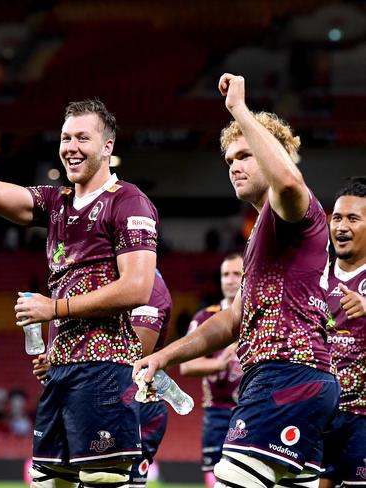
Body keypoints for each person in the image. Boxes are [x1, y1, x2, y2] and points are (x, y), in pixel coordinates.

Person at [0, 99, 158, 487]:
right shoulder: (57, 203)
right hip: (61, 371)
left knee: (102, 480)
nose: (71, 146)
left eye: (83, 138)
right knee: (50, 481)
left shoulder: (128, 201)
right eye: (66, 137)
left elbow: (138, 287)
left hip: (104, 368)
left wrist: (55, 307)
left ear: (107, 146)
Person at [133, 73, 339, 488]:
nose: (235, 166)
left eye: (245, 154)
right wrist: (163, 357)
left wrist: (240, 112)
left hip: (285, 374)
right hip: (302, 379)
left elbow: (288, 181)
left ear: (273, 154)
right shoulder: (262, 232)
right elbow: (231, 322)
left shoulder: (293, 209)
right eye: (229, 160)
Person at [33, 269, 172, 488]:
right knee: (53, 479)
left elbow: (137, 355)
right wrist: (57, 360)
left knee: (107, 481)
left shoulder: (148, 286)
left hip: (131, 402)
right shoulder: (93, 276)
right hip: (86, 394)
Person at [180, 254, 244, 488]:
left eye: (236, 274)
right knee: (214, 479)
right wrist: (217, 365)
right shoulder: (204, 317)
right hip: (217, 412)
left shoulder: (257, 316)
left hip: (250, 410)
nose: (230, 280)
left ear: (246, 277)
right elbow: (186, 366)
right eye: (225, 274)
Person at [320, 179, 366, 488]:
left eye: (353, 218)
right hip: (319, 415)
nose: (342, 226)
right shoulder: (315, 275)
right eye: (337, 217)